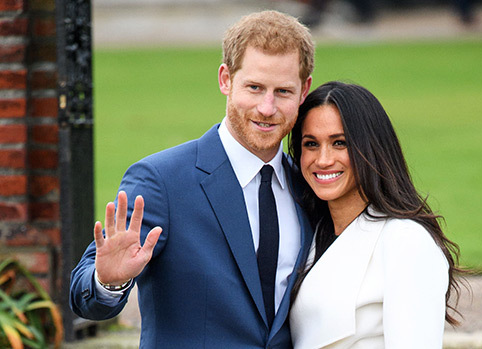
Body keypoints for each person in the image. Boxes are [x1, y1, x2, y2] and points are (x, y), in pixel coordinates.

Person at [69, 10, 316, 348]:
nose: (267, 107)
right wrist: (108, 282)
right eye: (255, 87)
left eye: (283, 92)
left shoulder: (310, 187)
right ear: (225, 79)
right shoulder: (160, 182)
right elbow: (85, 298)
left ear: (304, 91)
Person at [288, 81, 464, 348]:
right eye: (311, 144)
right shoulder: (309, 232)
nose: (323, 159)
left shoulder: (406, 240)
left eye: (340, 143)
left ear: (371, 149)